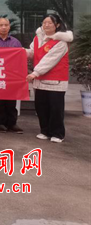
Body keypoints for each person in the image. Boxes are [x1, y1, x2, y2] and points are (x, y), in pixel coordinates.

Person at [26, 14, 73, 143]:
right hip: (40, 80)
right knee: (41, 107)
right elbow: (32, 52)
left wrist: (35, 73)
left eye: (50, 23)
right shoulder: (38, 38)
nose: (46, 25)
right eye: (44, 22)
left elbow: (50, 60)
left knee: (55, 108)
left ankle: (57, 133)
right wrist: (19, 52)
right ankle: (45, 131)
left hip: (55, 81)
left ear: (57, 25)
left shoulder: (61, 42)